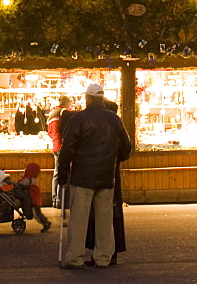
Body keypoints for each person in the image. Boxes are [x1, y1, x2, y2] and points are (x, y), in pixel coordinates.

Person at [58, 82, 132, 270]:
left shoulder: (78, 119)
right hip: (106, 176)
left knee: (79, 219)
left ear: (87, 98)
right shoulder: (114, 120)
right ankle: (103, 257)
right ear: (102, 98)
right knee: (105, 219)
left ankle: (75, 257)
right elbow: (126, 148)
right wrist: (113, 159)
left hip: (83, 175)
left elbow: (67, 149)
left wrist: (63, 173)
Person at [84, 95, 126, 266]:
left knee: (97, 214)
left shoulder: (94, 128)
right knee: (112, 213)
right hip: (111, 173)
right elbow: (126, 149)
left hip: (95, 174)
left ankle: (100, 252)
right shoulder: (116, 126)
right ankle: (111, 252)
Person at [48, 95, 74, 207]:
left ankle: (55, 199)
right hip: (62, 146)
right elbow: (66, 130)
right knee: (63, 172)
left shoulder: (52, 114)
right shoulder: (64, 113)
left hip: (55, 145)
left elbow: (49, 132)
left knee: (57, 172)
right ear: (67, 104)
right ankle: (61, 200)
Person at [15, 162, 51, 231]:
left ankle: (46, 223)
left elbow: (21, 183)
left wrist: (16, 182)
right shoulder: (31, 179)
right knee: (37, 213)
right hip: (34, 199)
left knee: (37, 214)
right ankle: (45, 222)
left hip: (33, 199)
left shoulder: (29, 179)